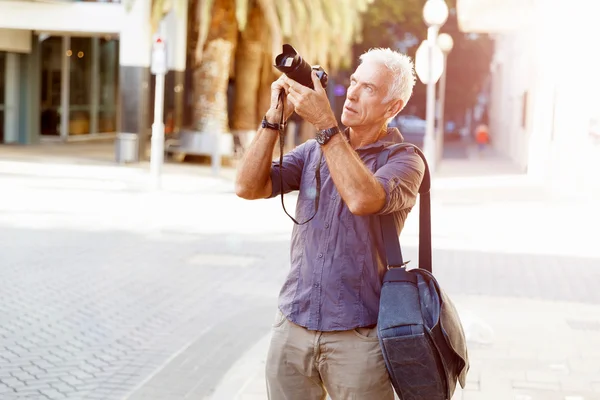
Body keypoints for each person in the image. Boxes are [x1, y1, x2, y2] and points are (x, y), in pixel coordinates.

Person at [235, 48, 425, 399]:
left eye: (368, 88)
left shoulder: (404, 161)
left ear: (393, 107)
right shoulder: (312, 152)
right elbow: (247, 187)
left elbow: (362, 198)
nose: (352, 92)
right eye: (353, 81)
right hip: (292, 325)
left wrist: (325, 124)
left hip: (358, 338)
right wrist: (273, 119)